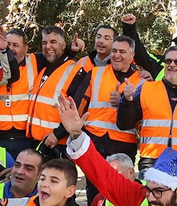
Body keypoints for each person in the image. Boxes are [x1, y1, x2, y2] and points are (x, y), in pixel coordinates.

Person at [63, 33, 146, 161]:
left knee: (119, 181)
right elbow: (78, 107)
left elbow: (138, 117)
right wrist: (71, 136)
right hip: (93, 139)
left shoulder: (142, 82)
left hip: (123, 144)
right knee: (92, 181)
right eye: (114, 51)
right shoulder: (95, 73)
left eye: (122, 52)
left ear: (132, 56)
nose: (116, 55)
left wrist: (124, 101)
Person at [123, 45, 177, 168]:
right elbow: (125, 123)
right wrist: (127, 100)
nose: (172, 65)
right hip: (151, 160)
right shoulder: (147, 88)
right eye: (168, 61)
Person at [24, 24, 86, 154]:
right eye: (44, 43)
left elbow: (77, 110)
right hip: (35, 141)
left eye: (53, 42)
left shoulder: (75, 71)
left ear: (63, 45)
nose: (48, 46)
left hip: (58, 144)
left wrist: (57, 135)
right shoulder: (43, 65)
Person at [0, 28, 42, 157]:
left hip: (25, 139)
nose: (10, 49)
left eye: (15, 45)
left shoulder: (35, 62)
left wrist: (71, 49)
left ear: (26, 48)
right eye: (8, 44)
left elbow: (55, 57)